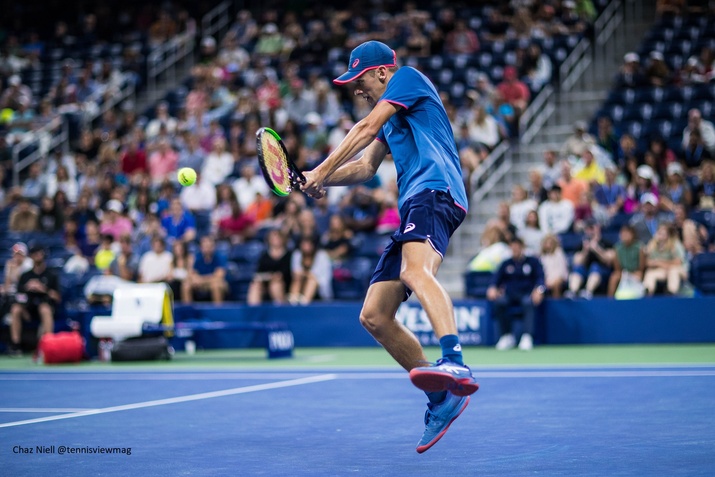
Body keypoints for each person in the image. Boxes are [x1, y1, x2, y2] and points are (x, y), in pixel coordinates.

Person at [300, 40, 479, 453]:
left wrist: (321, 168)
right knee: (375, 316)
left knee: (415, 273)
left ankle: (454, 360)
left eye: (360, 79)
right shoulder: (391, 118)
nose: (356, 89)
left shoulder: (409, 80)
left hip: (436, 192)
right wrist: (319, 179)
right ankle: (442, 399)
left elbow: (362, 129)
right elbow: (365, 167)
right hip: (414, 204)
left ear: (383, 72)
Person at [486, 236, 545, 351]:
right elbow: (495, 279)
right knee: (500, 302)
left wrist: (539, 290)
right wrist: (492, 287)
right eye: (513, 247)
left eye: (517, 247)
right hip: (510, 294)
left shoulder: (532, 262)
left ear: (522, 247)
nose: (515, 249)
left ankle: (527, 336)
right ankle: (506, 336)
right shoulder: (506, 263)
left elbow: (540, 279)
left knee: (528, 302)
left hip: (526, 294)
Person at [8, 245, 61, 356]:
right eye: (34, 254)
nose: (37, 256)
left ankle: (48, 345)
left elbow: (57, 297)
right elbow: (18, 295)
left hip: (44, 305)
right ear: (31, 257)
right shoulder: (26, 275)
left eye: (39, 253)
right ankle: (15, 345)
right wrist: (27, 287)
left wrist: (43, 289)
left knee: (45, 309)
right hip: (28, 307)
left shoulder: (51, 275)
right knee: (15, 309)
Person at [565, 220, 614, 299]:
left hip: (602, 273)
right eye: (587, 229)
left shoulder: (606, 243)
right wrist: (585, 251)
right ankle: (573, 291)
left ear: (598, 228)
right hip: (585, 272)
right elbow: (576, 262)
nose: (590, 231)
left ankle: (588, 291)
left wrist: (596, 249)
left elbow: (609, 259)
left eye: (592, 228)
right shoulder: (582, 244)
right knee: (578, 269)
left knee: (595, 267)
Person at [247, 229, 292, 305]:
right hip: (266, 283)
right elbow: (259, 272)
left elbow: (287, 272)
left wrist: (277, 276)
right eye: (273, 238)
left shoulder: (289, 255)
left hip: (284, 283)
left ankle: (280, 308)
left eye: (278, 237)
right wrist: (268, 277)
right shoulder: (264, 255)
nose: (275, 240)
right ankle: (253, 311)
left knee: (275, 285)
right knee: (255, 285)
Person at [643, 223, 687, 296]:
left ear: (668, 234)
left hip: (679, 270)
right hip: (662, 270)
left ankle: (672, 293)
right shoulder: (652, 244)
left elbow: (678, 262)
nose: (660, 235)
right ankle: (647, 293)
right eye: (659, 232)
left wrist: (660, 263)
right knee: (650, 273)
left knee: (673, 271)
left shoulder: (675, 244)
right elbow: (648, 262)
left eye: (663, 233)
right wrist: (660, 265)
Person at [288, 236, 333, 305]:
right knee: (297, 279)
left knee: (312, 281)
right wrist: (305, 275)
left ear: (313, 246)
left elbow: (324, 278)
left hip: (319, 286)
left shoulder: (322, 256)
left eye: (308, 245)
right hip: (301, 283)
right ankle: (293, 304)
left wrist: (308, 275)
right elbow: (295, 272)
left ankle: (304, 304)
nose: (306, 247)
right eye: (304, 245)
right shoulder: (297, 255)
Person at [183, 235, 228, 304]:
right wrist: (196, 279)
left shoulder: (220, 257)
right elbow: (192, 273)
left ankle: (218, 312)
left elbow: (219, 276)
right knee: (186, 285)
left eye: (209, 246)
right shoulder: (197, 257)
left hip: (216, 283)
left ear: (213, 247)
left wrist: (200, 280)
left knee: (215, 285)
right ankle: (188, 311)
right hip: (202, 283)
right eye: (204, 246)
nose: (207, 248)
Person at [607, 225, 646, 297]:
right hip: (623, 272)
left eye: (627, 233)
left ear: (632, 234)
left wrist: (634, 273)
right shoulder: (617, 248)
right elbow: (617, 268)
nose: (624, 235)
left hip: (636, 271)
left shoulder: (639, 247)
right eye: (622, 233)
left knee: (639, 276)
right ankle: (610, 301)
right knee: (614, 277)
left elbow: (641, 267)